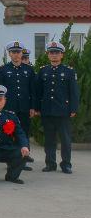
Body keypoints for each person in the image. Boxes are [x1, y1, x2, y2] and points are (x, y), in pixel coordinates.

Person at [35, 41, 79, 174]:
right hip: (47, 111)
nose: (54, 55)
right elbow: (38, 92)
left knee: (65, 140)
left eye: (57, 53)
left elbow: (74, 92)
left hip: (63, 111)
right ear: (48, 55)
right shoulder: (43, 71)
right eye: (51, 53)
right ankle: (50, 163)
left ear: (62, 55)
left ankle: (66, 164)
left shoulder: (69, 71)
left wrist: (73, 108)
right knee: (49, 140)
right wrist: (37, 108)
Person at [0, 41, 36, 169]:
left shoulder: (29, 70)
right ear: (9, 54)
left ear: (22, 53)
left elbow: (33, 90)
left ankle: (23, 161)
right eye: (13, 52)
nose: (16, 55)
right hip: (9, 109)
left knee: (24, 133)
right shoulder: (3, 70)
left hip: (24, 108)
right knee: (9, 134)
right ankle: (11, 161)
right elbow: (0, 92)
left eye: (18, 52)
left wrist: (32, 107)